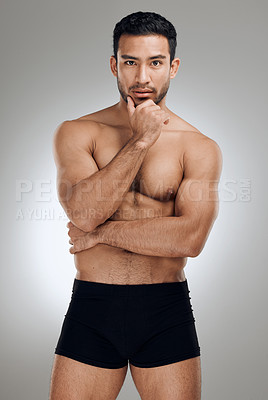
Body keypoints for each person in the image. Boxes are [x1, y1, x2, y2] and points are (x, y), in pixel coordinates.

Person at [49, 11, 222, 400]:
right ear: (115, 64)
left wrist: (103, 233)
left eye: (155, 62)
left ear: (173, 67)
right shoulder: (78, 132)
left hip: (165, 311)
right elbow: (84, 214)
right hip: (93, 307)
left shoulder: (199, 147)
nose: (142, 77)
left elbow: (190, 239)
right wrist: (140, 141)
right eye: (131, 62)